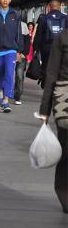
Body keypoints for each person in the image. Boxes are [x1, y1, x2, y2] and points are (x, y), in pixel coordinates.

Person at [38, 28, 68, 213]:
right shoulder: (62, 37)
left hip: (63, 99)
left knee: (66, 152)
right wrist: (44, 109)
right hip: (65, 100)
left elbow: (52, 73)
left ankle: (65, 193)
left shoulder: (62, 37)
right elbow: (52, 73)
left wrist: (45, 110)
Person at [34, 0, 68, 88]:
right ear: (60, 6)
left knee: (46, 66)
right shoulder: (66, 18)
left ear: (49, 7)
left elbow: (39, 35)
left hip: (47, 48)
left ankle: (46, 83)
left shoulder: (43, 18)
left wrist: (35, 48)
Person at [13, 20, 31, 105]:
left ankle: (18, 96)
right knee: (8, 75)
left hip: (21, 55)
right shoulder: (5, 23)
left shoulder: (23, 25)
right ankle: (6, 93)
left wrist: (24, 53)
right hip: (9, 54)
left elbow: (27, 41)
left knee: (19, 76)